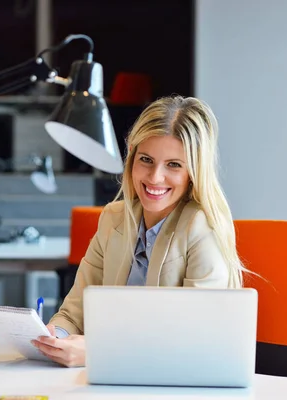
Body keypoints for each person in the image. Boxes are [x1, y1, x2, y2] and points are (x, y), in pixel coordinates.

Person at [31, 95, 248, 367]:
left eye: (173, 165)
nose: (155, 177)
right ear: (132, 156)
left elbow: (198, 338)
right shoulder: (113, 219)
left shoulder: (203, 229)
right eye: (146, 159)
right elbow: (74, 313)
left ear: (193, 171)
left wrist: (99, 352)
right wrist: (55, 336)